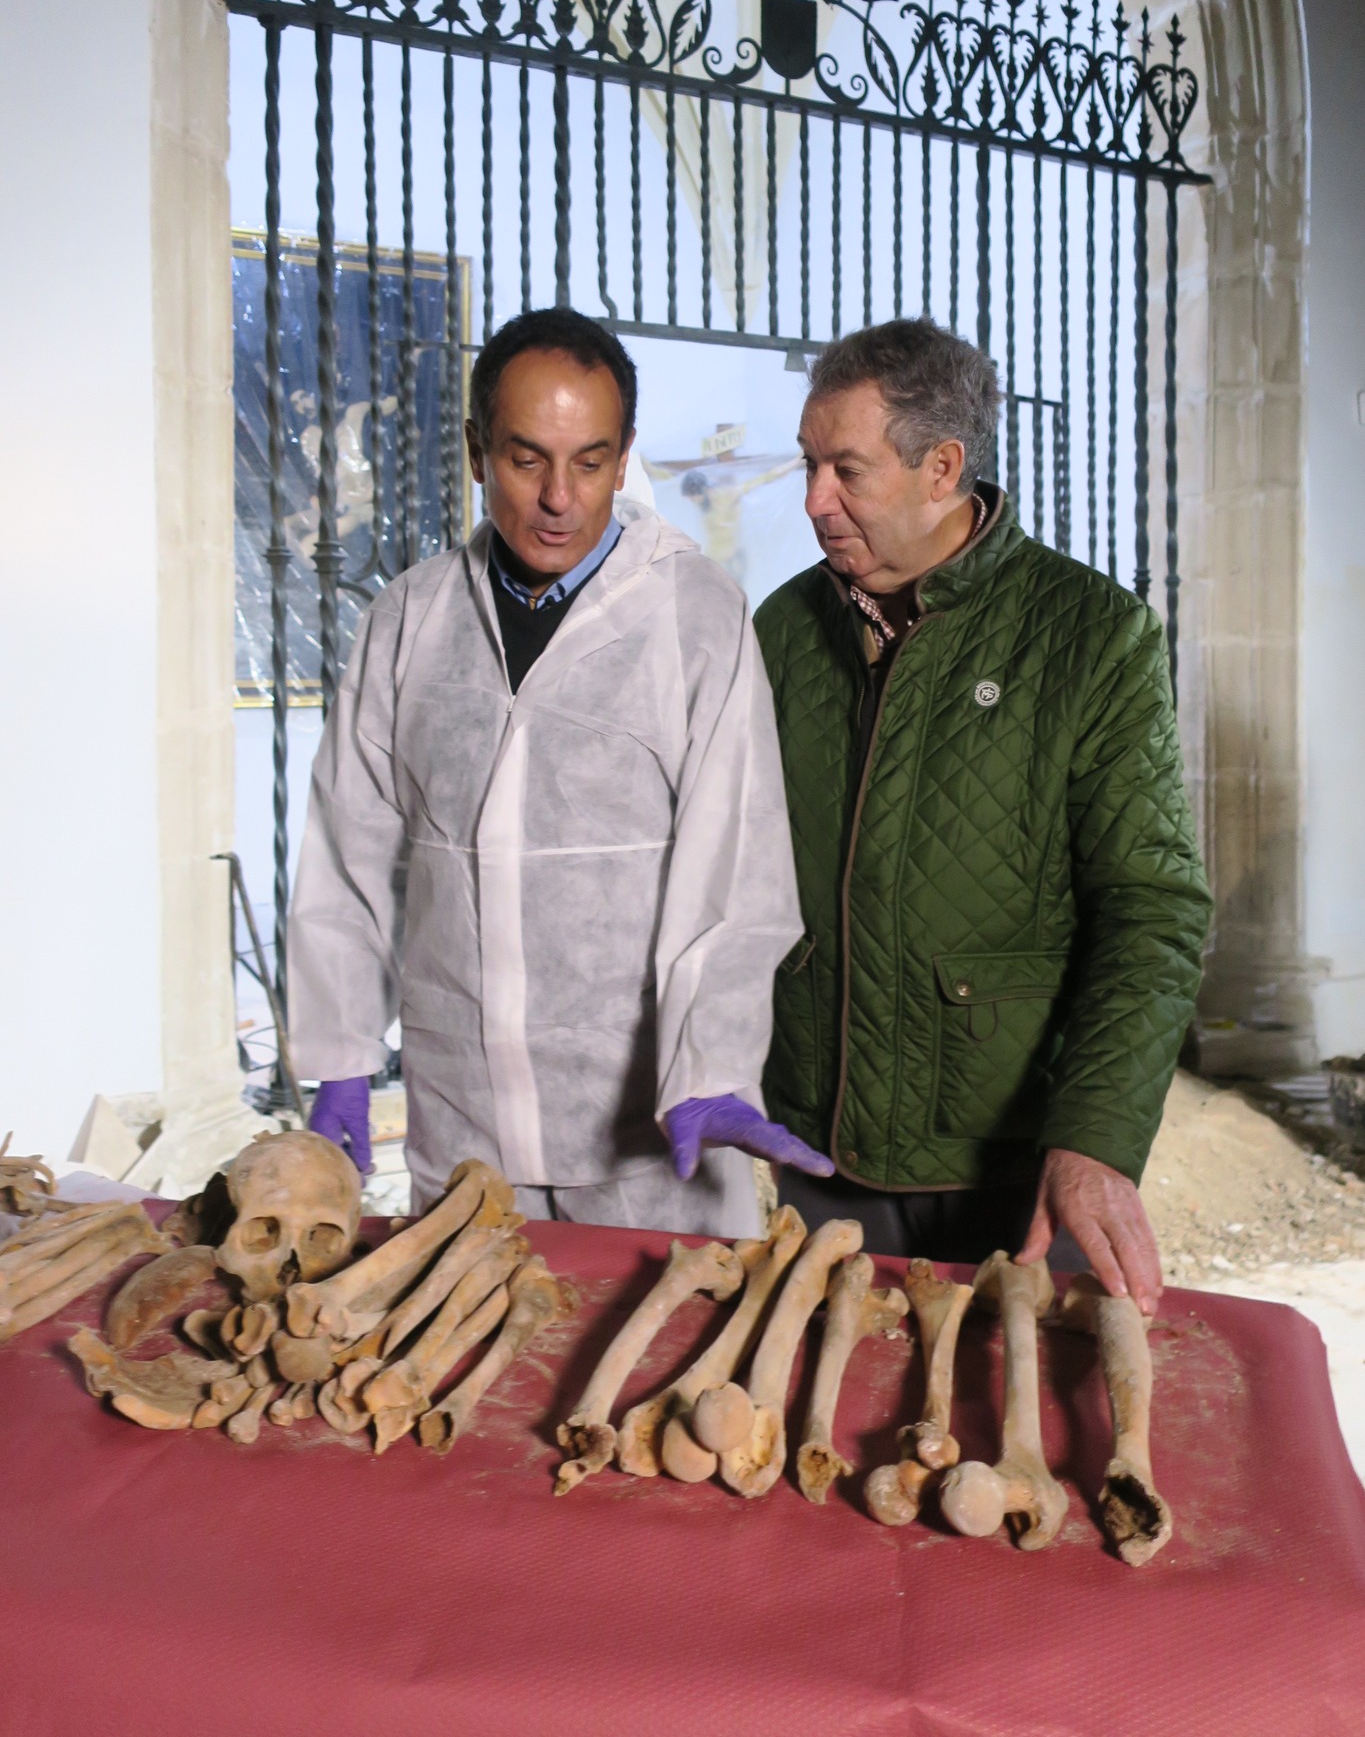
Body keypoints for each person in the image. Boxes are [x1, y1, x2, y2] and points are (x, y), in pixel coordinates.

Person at [290, 306, 832, 1232]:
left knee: (665, 1371)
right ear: (475, 450)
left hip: (649, 1144)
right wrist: (340, 1049)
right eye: (526, 457)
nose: (558, 498)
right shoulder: (410, 621)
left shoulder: (691, 616)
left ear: (623, 463)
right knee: (470, 1370)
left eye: (589, 461)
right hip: (464, 1129)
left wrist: (708, 1068)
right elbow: (353, 847)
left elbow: (734, 868)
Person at [754, 318, 1211, 1313]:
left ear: (941, 468)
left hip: (1011, 1169)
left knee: (1010, 1440)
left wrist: (1096, 1134)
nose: (814, 502)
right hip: (812, 1153)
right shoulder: (783, 631)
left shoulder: (1094, 636)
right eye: (807, 464)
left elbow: (1155, 907)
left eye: (846, 470)